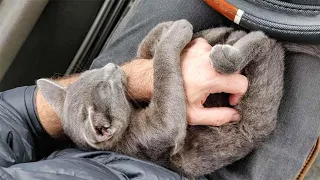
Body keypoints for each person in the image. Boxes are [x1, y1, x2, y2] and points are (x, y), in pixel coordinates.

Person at [0, 0, 318, 179]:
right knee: (306, 34)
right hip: (213, 159)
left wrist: (142, 77)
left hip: (114, 112)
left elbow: (15, 115)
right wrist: (167, 55)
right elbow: (165, 127)